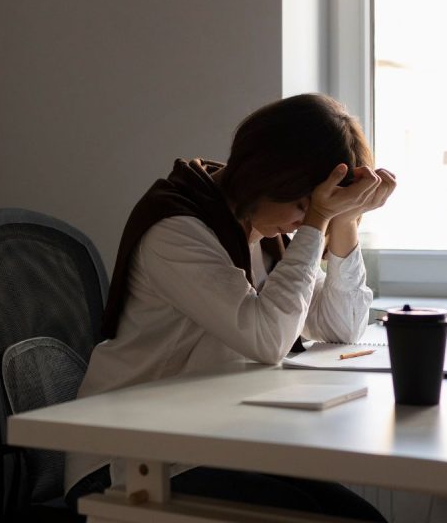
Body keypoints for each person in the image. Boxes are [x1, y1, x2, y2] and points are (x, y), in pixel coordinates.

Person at [65, 93, 396, 521]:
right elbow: (267, 339)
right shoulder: (177, 229)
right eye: (301, 204)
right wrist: (316, 223)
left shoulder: (265, 233)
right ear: (269, 175)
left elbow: (340, 327)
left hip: (206, 442)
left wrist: (345, 220)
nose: (302, 221)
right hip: (127, 458)